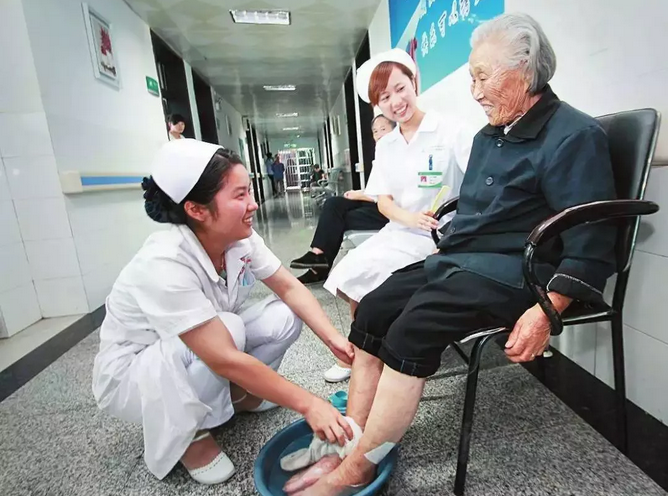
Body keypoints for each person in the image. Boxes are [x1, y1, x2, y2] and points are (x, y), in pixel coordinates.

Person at [290, 13, 618, 495]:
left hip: (523, 272)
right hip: (466, 258)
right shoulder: (492, 134)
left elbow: (594, 237)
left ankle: (357, 469)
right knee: (376, 306)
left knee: (413, 327)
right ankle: (350, 442)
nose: (475, 91)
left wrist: (548, 311)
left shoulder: (573, 136)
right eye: (472, 78)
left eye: (483, 77)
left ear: (524, 72)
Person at [92, 139, 355, 486]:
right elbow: (223, 357)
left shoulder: (238, 237)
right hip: (137, 372)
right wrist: (309, 404)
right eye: (240, 195)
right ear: (196, 209)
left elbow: (289, 288)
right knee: (228, 329)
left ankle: (238, 397)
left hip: (202, 344)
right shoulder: (164, 262)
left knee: (284, 315)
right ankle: (191, 433)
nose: (254, 204)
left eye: (250, 192)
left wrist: (333, 339)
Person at [316, 49, 473, 383]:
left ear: (415, 82)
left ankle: (371, 356)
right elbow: (383, 201)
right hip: (399, 230)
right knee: (353, 274)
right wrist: (409, 218)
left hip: (440, 236)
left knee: (376, 283)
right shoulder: (386, 145)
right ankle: (363, 353)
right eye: (384, 97)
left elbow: (478, 189)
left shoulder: (450, 130)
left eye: (400, 88)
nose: (395, 102)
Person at [291, 115, 396, 288]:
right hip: (377, 203)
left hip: (391, 211)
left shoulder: (401, 156)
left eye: (383, 129)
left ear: (396, 130)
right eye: (375, 131)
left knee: (338, 220)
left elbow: (390, 194)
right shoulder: (382, 155)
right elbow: (376, 189)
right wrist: (358, 193)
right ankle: (317, 254)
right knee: (333, 203)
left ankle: (318, 269)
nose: (378, 135)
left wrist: (358, 195)